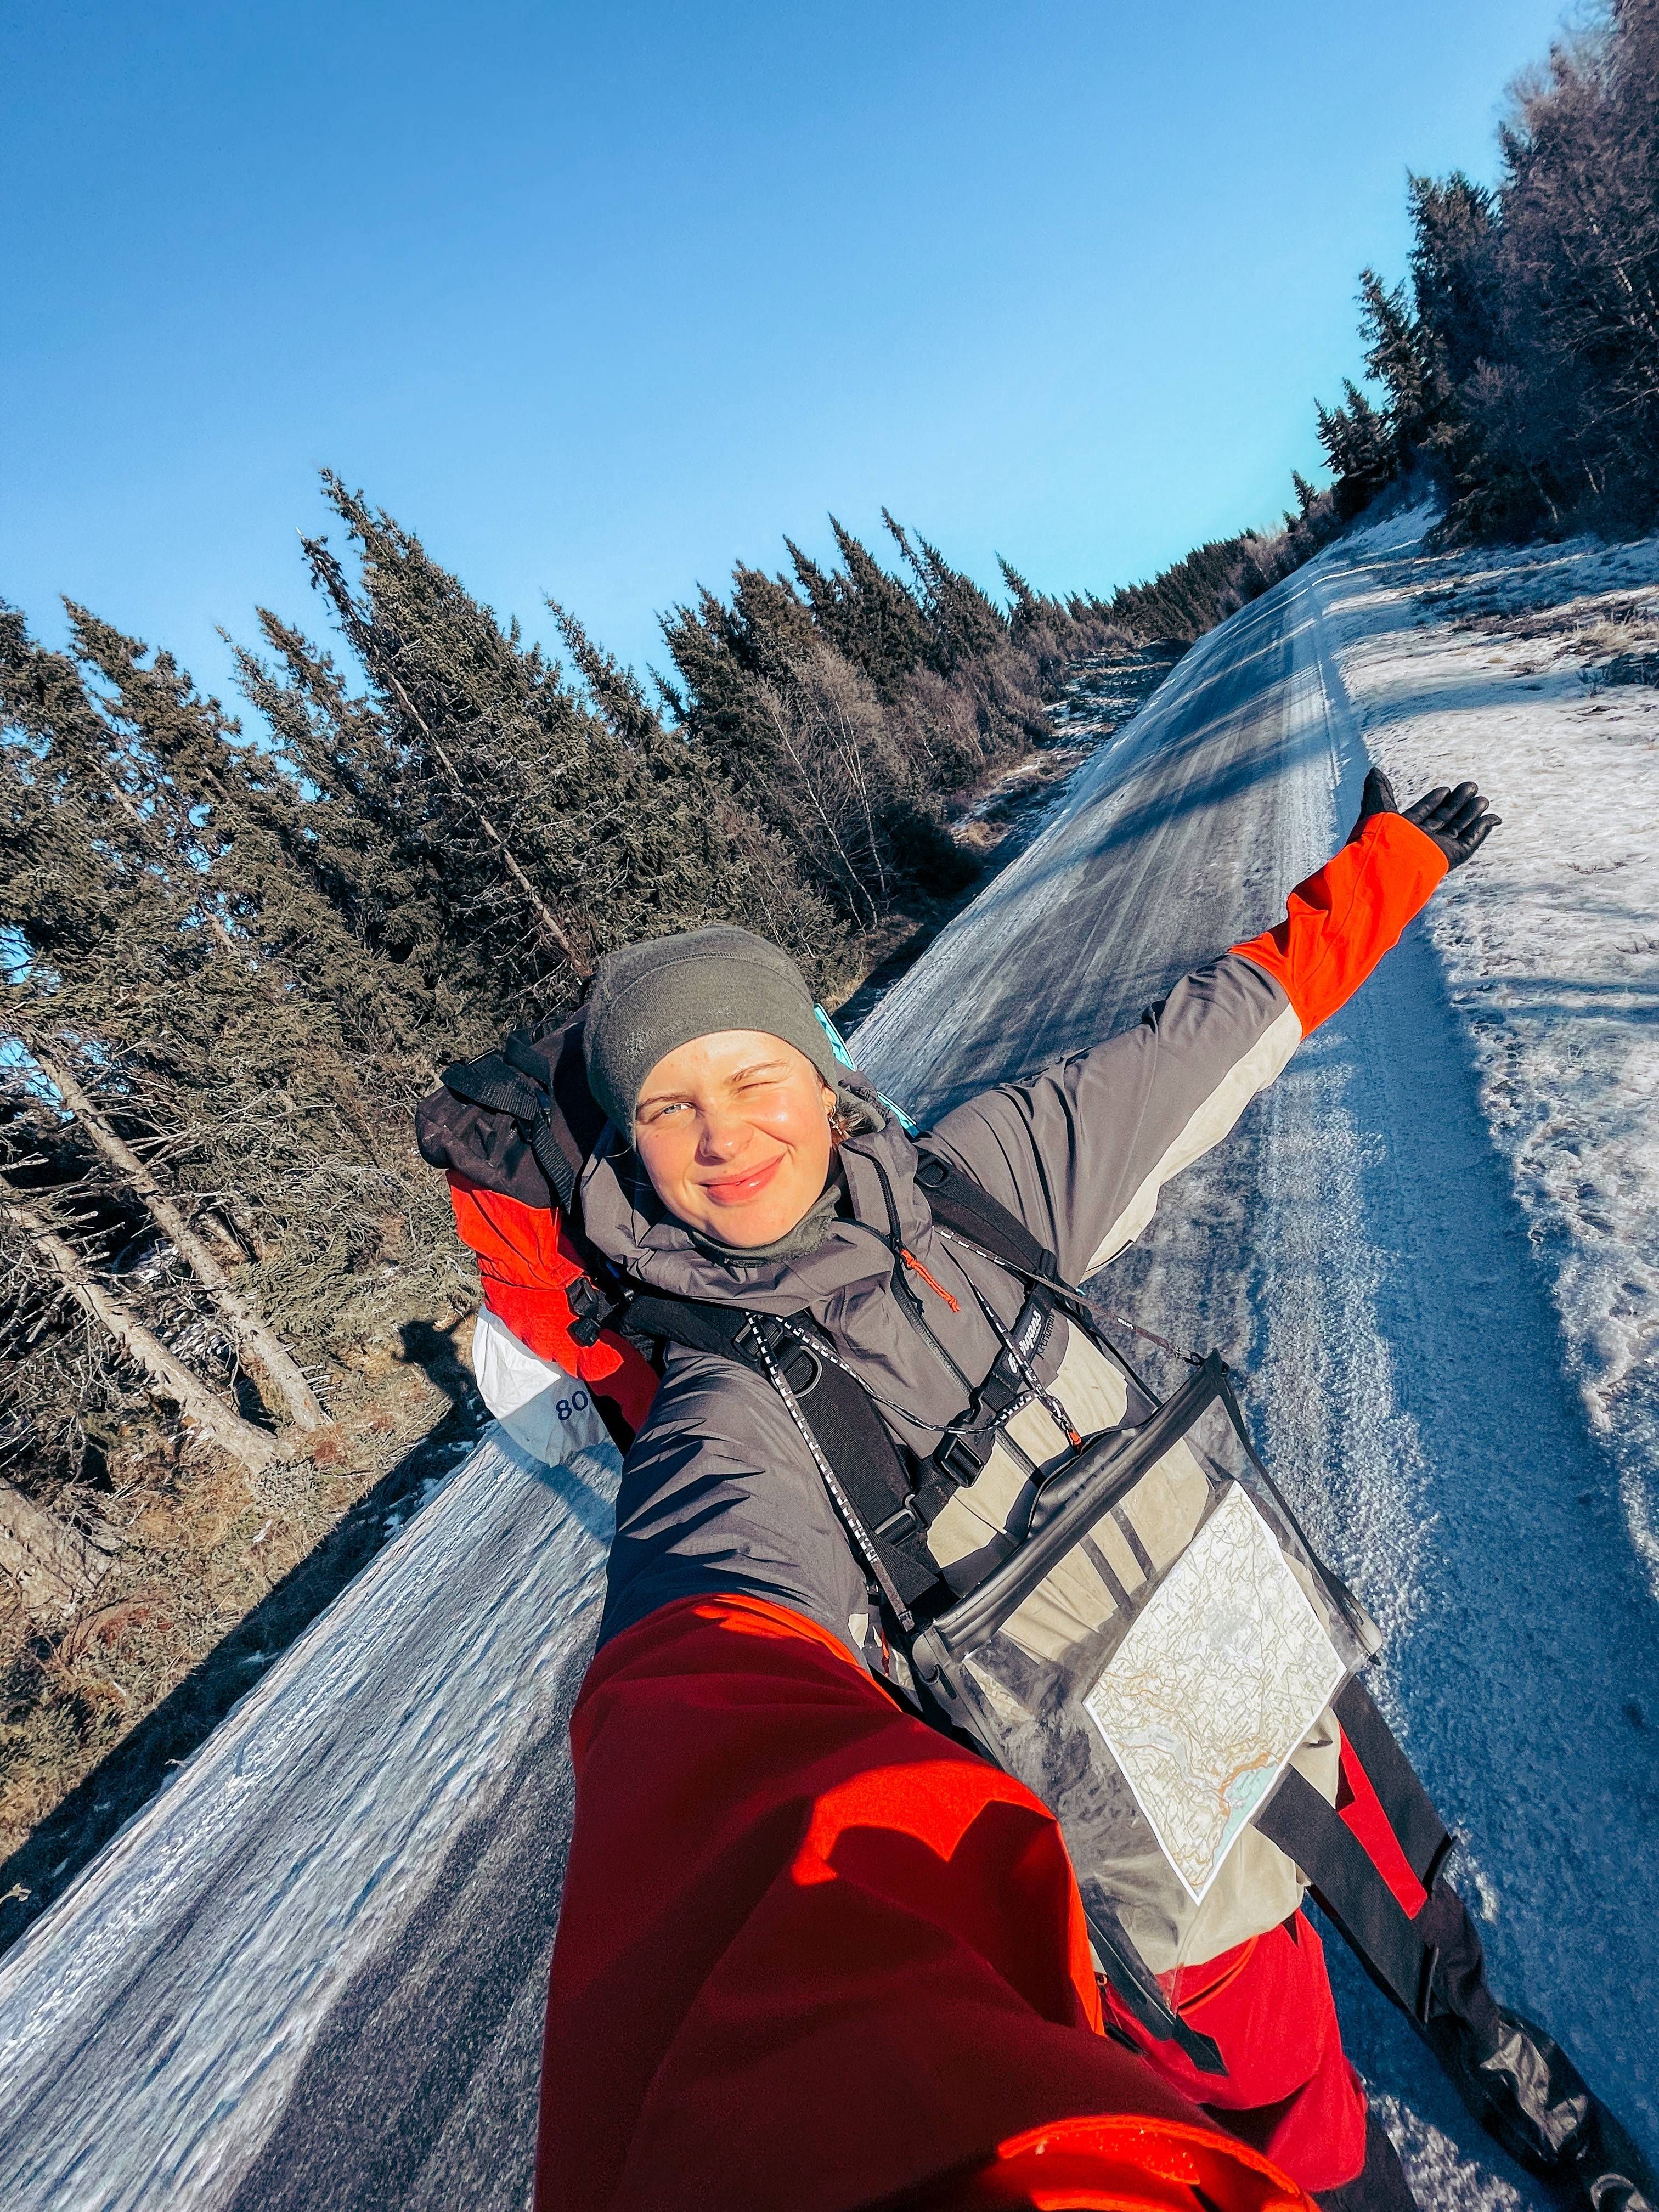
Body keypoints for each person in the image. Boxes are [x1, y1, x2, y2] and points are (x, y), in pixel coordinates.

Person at [531, 775, 1654, 2212]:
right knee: (1285, 2103)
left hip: (1243, 1638)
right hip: (1113, 1815)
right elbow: (705, 1683)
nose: (723, 1132)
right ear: (630, 1149)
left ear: (826, 1078)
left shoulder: (977, 1185)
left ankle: (1513, 2080)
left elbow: (1207, 1039)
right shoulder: (727, 1412)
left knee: (1410, 1894)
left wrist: (1391, 863)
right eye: (669, 1104)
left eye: (754, 1078)